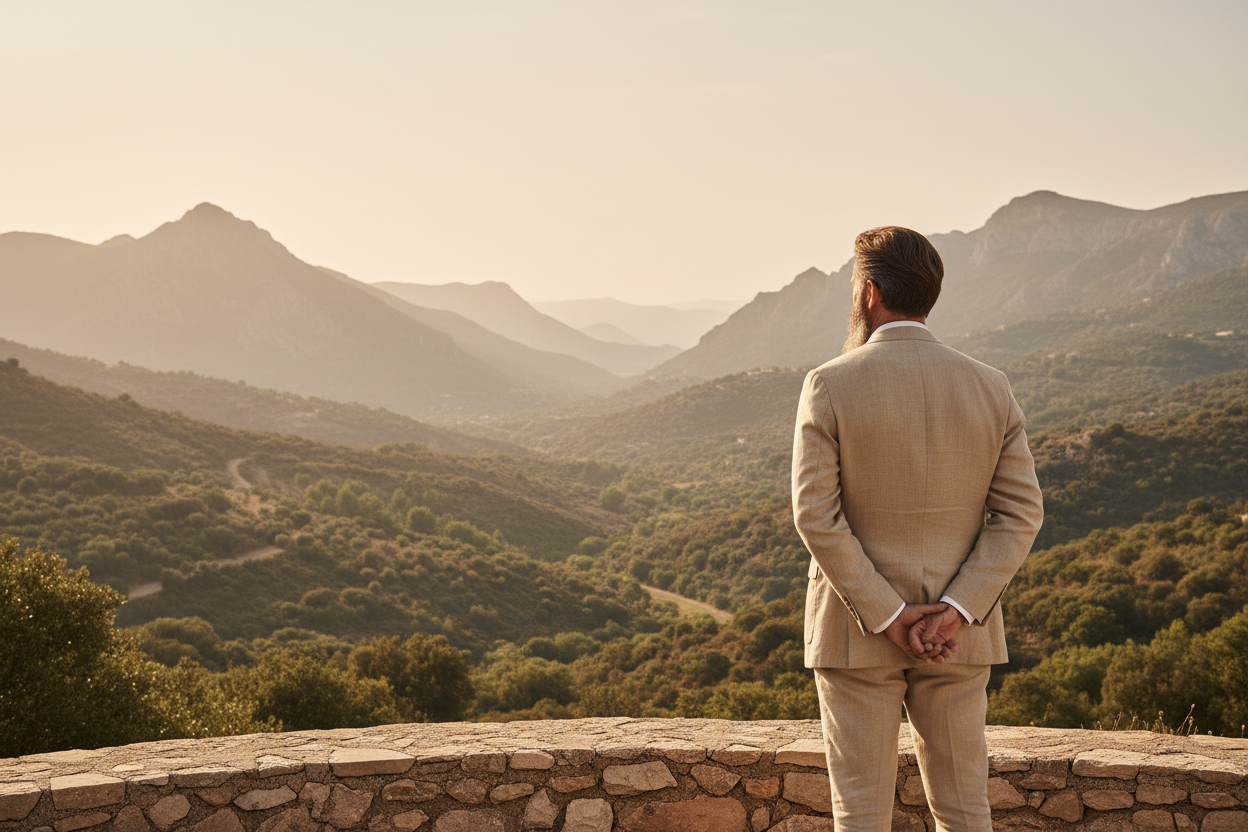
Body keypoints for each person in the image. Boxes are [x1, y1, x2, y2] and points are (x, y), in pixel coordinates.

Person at [791, 226, 1044, 832]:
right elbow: (1021, 513)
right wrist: (955, 608)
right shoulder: (991, 386)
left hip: (856, 634)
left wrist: (886, 612)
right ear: (930, 294)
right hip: (959, 634)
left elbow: (814, 516)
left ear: (870, 292)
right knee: (964, 811)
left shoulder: (829, 383)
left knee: (861, 812)